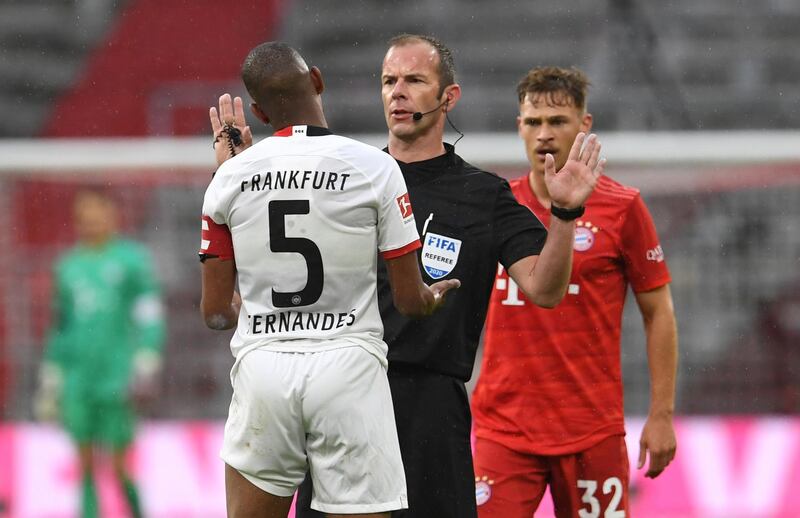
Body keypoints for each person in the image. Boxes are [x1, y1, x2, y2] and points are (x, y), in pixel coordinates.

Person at [200, 41, 459, 518]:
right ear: (317, 80)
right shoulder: (375, 168)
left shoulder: (230, 177)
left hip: (265, 372)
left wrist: (257, 308)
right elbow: (408, 300)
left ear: (256, 111)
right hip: (348, 371)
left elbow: (216, 314)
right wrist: (431, 298)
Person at [471, 66, 679, 517]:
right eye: (533, 122)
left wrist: (661, 414)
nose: (543, 134)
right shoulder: (497, 205)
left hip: (590, 429)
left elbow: (658, 311)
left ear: (584, 125)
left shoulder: (622, 207)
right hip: (503, 430)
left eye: (558, 122)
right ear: (519, 127)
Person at [34, 189, 165, 518]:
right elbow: (60, 324)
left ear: (112, 215)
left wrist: (148, 352)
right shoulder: (68, 266)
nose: (89, 222)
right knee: (86, 466)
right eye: (83, 215)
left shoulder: (131, 261)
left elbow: (149, 313)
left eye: (96, 213)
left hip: (116, 377)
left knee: (121, 467)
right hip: (78, 380)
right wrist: (52, 370)